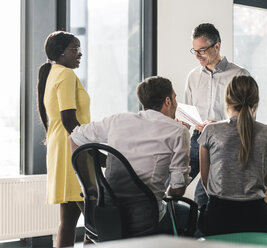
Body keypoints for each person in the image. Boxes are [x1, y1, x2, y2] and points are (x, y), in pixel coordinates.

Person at [69, 76, 193, 235]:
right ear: (168, 101)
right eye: (175, 98)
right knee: (192, 216)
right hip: (147, 219)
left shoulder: (118, 120)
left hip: (107, 215)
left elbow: (74, 138)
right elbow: (177, 190)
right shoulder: (177, 131)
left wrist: (90, 184)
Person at [197, 75, 267, 235]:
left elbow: (205, 181)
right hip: (256, 218)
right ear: (256, 100)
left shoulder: (211, 131)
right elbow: (264, 180)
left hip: (218, 217)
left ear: (227, 100)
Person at [184, 23, 250, 208]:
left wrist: (218, 125)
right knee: (172, 185)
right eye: (194, 50)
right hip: (197, 140)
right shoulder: (192, 77)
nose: (197, 56)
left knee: (202, 197)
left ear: (217, 46)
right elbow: (188, 113)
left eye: (202, 50)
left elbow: (246, 118)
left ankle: (203, 236)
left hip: (224, 144)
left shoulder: (239, 75)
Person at [37, 31, 90, 247]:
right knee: (98, 220)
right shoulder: (66, 75)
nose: (80, 53)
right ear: (60, 53)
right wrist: (92, 148)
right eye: (74, 49)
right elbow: (69, 119)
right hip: (72, 151)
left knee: (68, 220)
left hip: (61, 150)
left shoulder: (53, 73)